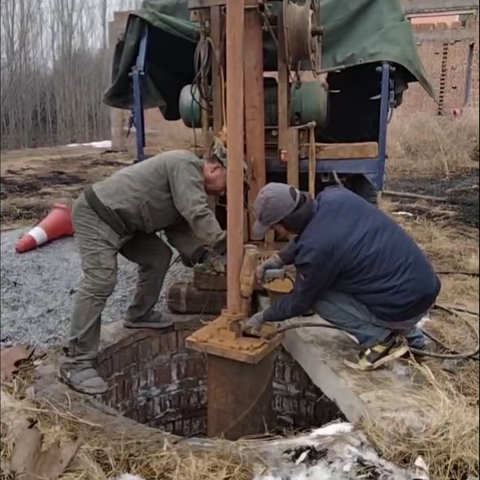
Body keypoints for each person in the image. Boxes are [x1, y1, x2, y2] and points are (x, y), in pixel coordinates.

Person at [60, 140, 229, 395]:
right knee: (101, 281)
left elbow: (179, 232)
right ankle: (76, 361)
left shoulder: (186, 183)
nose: (225, 191)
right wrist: (225, 245)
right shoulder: (185, 164)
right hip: (97, 215)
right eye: (228, 182)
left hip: (125, 225)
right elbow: (195, 210)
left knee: (158, 255)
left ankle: (138, 315)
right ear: (215, 169)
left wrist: (203, 256)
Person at [246, 183, 441, 370]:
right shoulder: (334, 196)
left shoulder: (316, 250)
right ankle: (414, 338)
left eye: (275, 227)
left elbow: (300, 302)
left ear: (287, 221)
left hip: (405, 306)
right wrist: (279, 259)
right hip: (423, 285)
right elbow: (310, 235)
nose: (276, 232)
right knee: (367, 276)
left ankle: (379, 340)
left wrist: (263, 316)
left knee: (319, 299)